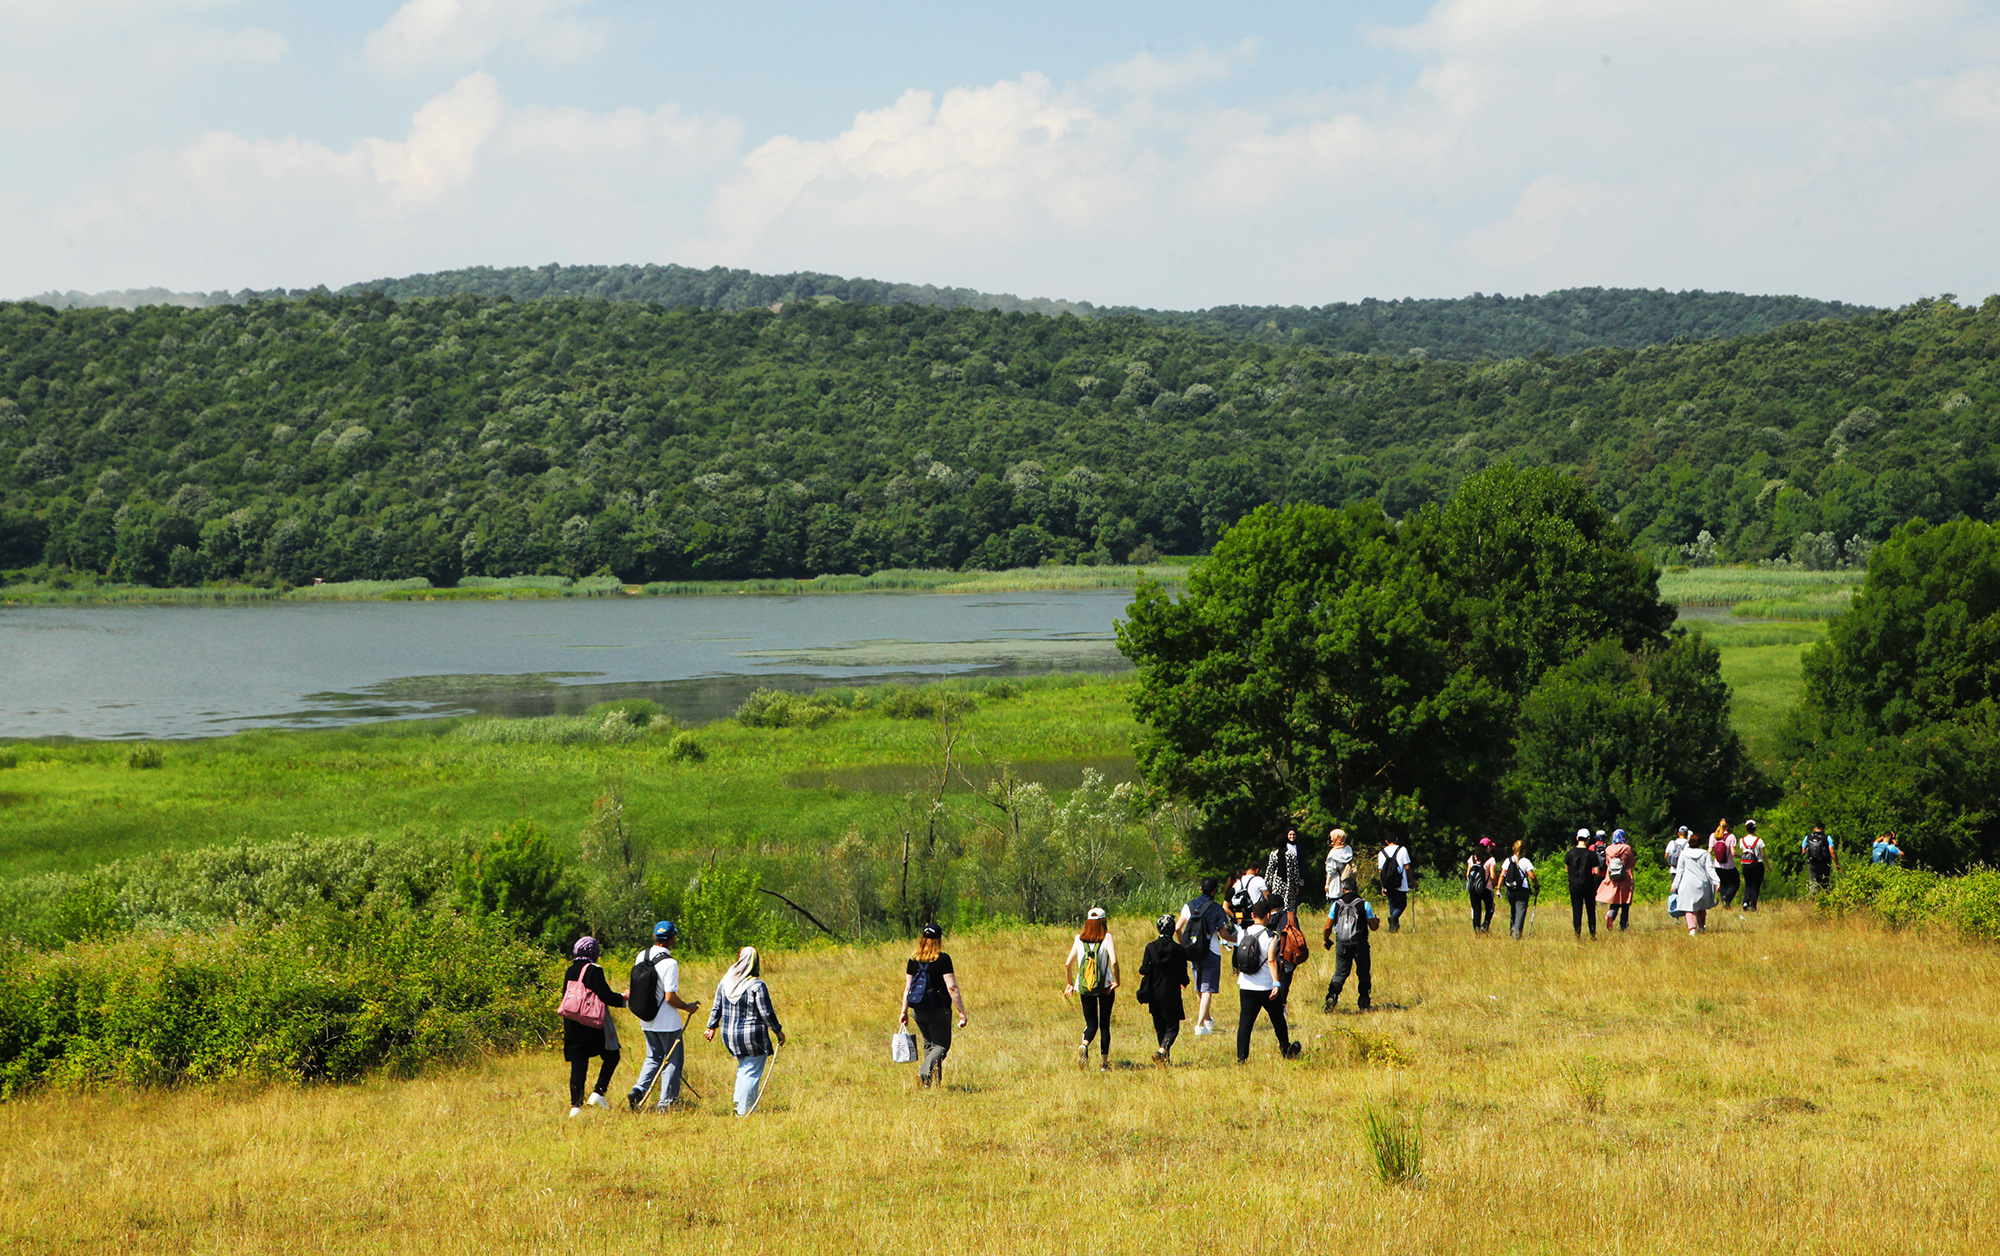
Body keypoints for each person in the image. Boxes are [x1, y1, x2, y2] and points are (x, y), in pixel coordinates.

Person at [703, 945, 787, 1116]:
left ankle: (738, 1104)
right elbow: (766, 1013)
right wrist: (778, 1031)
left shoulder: (725, 981)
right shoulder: (756, 985)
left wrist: (711, 1027)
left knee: (744, 1068)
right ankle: (744, 1111)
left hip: (729, 1036)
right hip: (751, 1038)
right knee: (751, 1072)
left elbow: (716, 1007)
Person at [626, 920, 699, 1113]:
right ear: (672, 938)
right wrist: (687, 1007)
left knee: (653, 1057)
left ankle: (638, 1090)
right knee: (673, 1061)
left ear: (654, 937)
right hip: (667, 1022)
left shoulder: (642, 955)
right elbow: (670, 997)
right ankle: (666, 1104)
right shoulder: (670, 963)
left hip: (646, 1019)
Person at [562, 936, 627, 1117]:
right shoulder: (593, 970)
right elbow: (605, 995)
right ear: (594, 952)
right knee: (612, 1055)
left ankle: (576, 1107)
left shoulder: (570, 970)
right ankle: (598, 1093)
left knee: (578, 1062)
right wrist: (623, 997)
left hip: (571, 1021)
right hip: (590, 1023)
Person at [900, 923, 967, 1089]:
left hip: (917, 1010)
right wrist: (961, 1011)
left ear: (922, 939)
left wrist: (904, 1012)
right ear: (938, 940)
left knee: (930, 1045)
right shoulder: (942, 959)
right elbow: (951, 987)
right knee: (942, 1046)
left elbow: (908, 988)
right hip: (938, 1010)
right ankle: (924, 1073)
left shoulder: (913, 960)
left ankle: (932, 1085)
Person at [1234, 902, 1298, 1061]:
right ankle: (1285, 1049)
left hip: (1246, 985)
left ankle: (1242, 1057)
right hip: (1266, 987)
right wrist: (1276, 983)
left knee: (1245, 1023)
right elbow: (1271, 961)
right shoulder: (1271, 936)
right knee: (1278, 1020)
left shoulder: (1243, 933)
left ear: (1252, 915)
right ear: (1268, 916)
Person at [1063, 907, 1120, 1072]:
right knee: (1105, 1025)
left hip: (1085, 988)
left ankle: (1084, 1045)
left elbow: (1068, 964)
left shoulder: (1078, 939)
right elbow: (1114, 962)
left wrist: (1070, 984)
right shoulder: (1107, 938)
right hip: (1105, 987)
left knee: (1091, 1024)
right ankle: (1104, 1064)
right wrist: (1117, 981)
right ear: (1104, 922)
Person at [1174, 876, 1230, 1036]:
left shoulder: (1189, 906)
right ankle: (1199, 1026)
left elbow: (1178, 927)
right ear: (1215, 891)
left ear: (1200, 889)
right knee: (1207, 989)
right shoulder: (1217, 908)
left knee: (1199, 987)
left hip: (1193, 951)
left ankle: (1206, 1020)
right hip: (1211, 950)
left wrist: (1184, 945)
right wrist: (1235, 939)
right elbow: (1223, 933)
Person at [1138, 914, 1192, 1066]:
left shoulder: (1150, 947)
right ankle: (1162, 1051)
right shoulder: (1178, 950)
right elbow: (1183, 976)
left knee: (1160, 1027)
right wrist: (1184, 982)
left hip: (1154, 993)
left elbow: (1144, 969)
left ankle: (1165, 1058)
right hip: (1171, 993)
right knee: (1173, 1028)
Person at [1322, 874, 1381, 1011]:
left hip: (1342, 944)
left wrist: (1326, 940)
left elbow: (1327, 927)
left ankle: (1332, 996)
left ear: (1343, 890)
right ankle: (1364, 1001)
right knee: (1363, 973)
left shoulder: (1336, 905)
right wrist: (1377, 921)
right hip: (1360, 944)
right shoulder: (1364, 904)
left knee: (1340, 973)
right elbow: (1373, 927)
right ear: (1356, 889)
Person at [1673, 831, 1721, 935]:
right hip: (1702, 883)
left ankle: (1692, 929)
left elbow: (1679, 871)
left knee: (1689, 908)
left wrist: (1674, 885)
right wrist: (1717, 881)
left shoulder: (1684, 854)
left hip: (1687, 884)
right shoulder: (1705, 854)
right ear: (1700, 843)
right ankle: (1702, 926)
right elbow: (1710, 869)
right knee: (1701, 907)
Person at [1564, 828, 1601, 940]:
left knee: (1577, 911)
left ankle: (1577, 934)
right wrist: (1591, 878)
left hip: (1574, 885)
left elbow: (1567, 869)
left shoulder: (1570, 853)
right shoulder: (1591, 854)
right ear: (1588, 839)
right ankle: (1592, 934)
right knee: (1591, 910)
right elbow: (1597, 872)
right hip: (1588, 885)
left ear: (1577, 838)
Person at [1597, 829, 1635, 931]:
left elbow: (1607, 864)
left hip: (1612, 877)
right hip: (1625, 877)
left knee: (1615, 901)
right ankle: (1623, 925)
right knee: (1625, 903)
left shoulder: (1608, 849)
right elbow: (1632, 862)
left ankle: (1611, 915)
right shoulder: (1627, 848)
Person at [1501, 840, 1538, 940]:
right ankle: (1517, 934)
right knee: (1520, 911)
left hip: (1510, 889)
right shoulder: (1525, 861)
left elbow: (1502, 875)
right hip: (1522, 889)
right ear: (1524, 850)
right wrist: (1536, 886)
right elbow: (1532, 876)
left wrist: (1498, 889)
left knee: (1513, 909)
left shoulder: (1507, 860)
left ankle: (1512, 930)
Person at [1376, 835, 1414, 931]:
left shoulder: (1381, 853)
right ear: (1396, 839)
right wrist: (1412, 879)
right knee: (1402, 904)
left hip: (1388, 884)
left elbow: (1380, 871)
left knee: (1392, 905)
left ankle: (1393, 927)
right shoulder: (1402, 850)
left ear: (1386, 841)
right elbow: (1407, 867)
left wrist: (1382, 886)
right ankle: (1394, 917)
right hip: (1400, 882)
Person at [1267, 829, 1306, 914]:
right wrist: (1296, 885)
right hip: (1289, 885)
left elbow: (1270, 871)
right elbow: (1295, 872)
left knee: (1277, 907)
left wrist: (1268, 885)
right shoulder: (1291, 855)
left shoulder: (1273, 854)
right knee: (1289, 908)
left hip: (1277, 884)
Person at [1466, 839, 1497, 933]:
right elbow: (1492, 876)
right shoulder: (1491, 859)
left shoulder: (1471, 858)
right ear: (1487, 847)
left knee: (1476, 909)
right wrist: (1494, 884)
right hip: (1486, 888)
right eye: (1491, 846)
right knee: (1490, 907)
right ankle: (1485, 924)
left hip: (1473, 889)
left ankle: (1476, 930)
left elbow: (1467, 874)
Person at [1738, 819, 1767, 911]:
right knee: (1755, 884)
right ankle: (1753, 904)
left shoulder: (1742, 840)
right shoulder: (1759, 840)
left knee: (1748, 884)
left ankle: (1745, 901)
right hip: (1757, 864)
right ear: (1755, 828)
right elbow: (1763, 854)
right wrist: (1768, 865)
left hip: (1745, 864)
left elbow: (1743, 852)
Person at [1664, 827, 1691, 921]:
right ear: (1687, 834)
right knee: (1683, 891)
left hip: (1673, 870)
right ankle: (1683, 910)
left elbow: (1666, 855)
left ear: (1678, 833)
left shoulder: (1671, 843)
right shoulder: (1687, 844)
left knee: (1674, 891)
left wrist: (1670, 864)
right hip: (1684, 871)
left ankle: (1674, 909)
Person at [1802, 824, 1838, 893]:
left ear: (1814, 828)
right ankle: (1825, 898)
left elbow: (1803, 851)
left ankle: (1813, 899)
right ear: (1823, 829)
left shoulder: (1807, 837)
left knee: (1813, 882)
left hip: (1812, 863)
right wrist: (1837, 863)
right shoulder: (1827, 838)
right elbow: (1832, 851)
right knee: (1825, 883)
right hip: (1824, 863)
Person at [1712, 820, 1740, 908]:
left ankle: (1725, 904)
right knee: (1735, 883)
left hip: (1717, 864)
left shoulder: (1713, 835)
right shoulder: (1731, 836)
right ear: (1728, 826)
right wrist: (1741, 856)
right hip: (1729, 865)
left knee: (1723, 883)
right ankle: (1727, 898)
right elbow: (1733, 852)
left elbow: (1710, 850)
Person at [1325, 828, 1357, 899]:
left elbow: (1330, 871)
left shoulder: (1333, 853)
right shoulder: (1349, 849)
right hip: (1348, 882)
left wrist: (1327, 884)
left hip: (1336, 882)